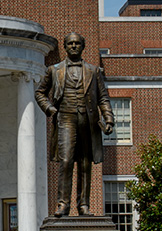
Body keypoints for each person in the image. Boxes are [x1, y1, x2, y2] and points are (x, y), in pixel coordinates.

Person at [35, 32, 114, 216]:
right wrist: (49, 109)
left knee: (85, 164)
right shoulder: (54, 70)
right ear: (65, 46)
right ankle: (63, 204)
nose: (73, 46)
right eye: (70, 43)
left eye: (77, 43)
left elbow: (103, 98)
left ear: (83, 46)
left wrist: (108, 118)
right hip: (65, 118)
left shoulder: (93, 71)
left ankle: (83, 205)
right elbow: (40, 92)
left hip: (88, 120)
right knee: (66, 161)